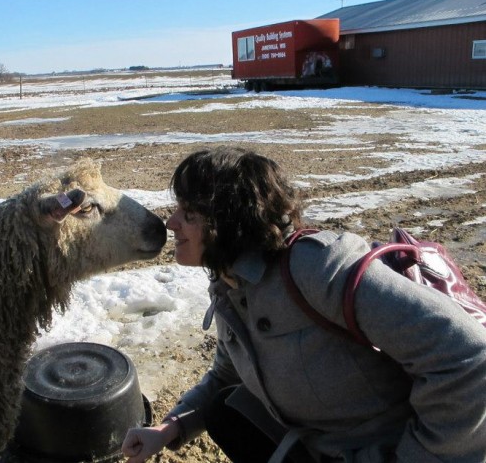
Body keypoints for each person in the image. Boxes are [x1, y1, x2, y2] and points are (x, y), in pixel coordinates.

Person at [121, 147, 486, 463]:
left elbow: (468, 358)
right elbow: (225, 376)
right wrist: (169, 428)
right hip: (320, 445)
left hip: (389, 448)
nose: (170, 224)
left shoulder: (317, 269)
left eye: (188, 213)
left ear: (228, 221)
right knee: (225, 411)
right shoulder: (230, 283)